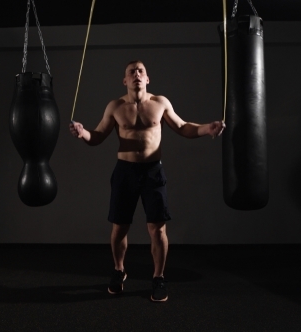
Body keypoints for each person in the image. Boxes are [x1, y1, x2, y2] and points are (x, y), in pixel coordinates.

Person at [69, 60, 225, 302]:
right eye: (132, 72)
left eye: (141, 71)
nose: (137, 74)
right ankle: (119, 270)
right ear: (125, 80)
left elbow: (183, 126)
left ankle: (158, 277)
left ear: (148, 78)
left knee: (157, 229)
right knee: (120, 226)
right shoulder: (115, 106)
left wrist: (207, 128)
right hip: (125, 171)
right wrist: (82, 133)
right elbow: (97, 135)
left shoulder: (160, 103)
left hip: (153, 171)